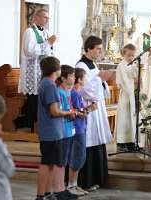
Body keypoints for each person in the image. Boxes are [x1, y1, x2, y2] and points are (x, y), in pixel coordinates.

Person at [75, 36, 113, 190]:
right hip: (88, 108)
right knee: (89, 141)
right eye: (98, 48)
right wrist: (99, 79)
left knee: (97, 140)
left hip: (97, 108)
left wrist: (101, 80)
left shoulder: (92, 64)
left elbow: (97, 86)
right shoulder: (81, 65)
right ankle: (86, 181)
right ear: (89, 49)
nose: (100, 51)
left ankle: (97, 179)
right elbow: (85, 89)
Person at [36, 56, 74, 200]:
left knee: (50, 163)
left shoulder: (44, 82)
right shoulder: (50, 85)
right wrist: (68, 113)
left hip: (49, 131)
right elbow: (54, 111)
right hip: (51, 132)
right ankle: (40, 195)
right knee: (46, 164)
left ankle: (47, 193)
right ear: (56, 70)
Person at [18, 8, 56, 132]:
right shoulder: (29, 32)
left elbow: (48, 52)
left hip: (43, 71)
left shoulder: (45, 32)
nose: (46, 20)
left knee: (41, 98)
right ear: (36, 18)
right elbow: (29, 51)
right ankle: (29, 127)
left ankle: (39, 125)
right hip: (33, 71)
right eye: (44, 17)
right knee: (33, 99)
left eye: (47, 18)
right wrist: (47, 43)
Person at [67, 68, 97, 196]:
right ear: (79, 80)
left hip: (80, 128)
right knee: (77, 157)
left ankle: (75, 184)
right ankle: (71, 185)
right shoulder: (74, 93)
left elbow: (79, 110)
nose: (86, 80)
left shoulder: (76, 93)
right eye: (84, 78)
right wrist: (90, 109)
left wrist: (87, 109)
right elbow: (76, 112)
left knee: (79, 157)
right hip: (77, 129)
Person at [54, 65, 79, 200]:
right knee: (61, 162)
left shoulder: (67, 91)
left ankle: (62, 189)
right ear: (63, 78)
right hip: (63, 132)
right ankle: (59, 190)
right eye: (72, 76)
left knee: (65, 161)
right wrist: (71, 113)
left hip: (69, 131)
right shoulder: (60, 92)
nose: (74, 78)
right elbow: (61, 111)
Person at [115, 44, 138, 151]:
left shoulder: (133, 64)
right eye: (129, 55)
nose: (131, 58)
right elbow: (123, 81)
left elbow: (136, 76)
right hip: (125, 94)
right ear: (124, 54)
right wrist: (131, 89)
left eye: (133, 56)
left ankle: (130, 141)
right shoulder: (121, 65)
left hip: (132, 95)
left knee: (132, 118)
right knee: (124, 118)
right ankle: (121, 142)